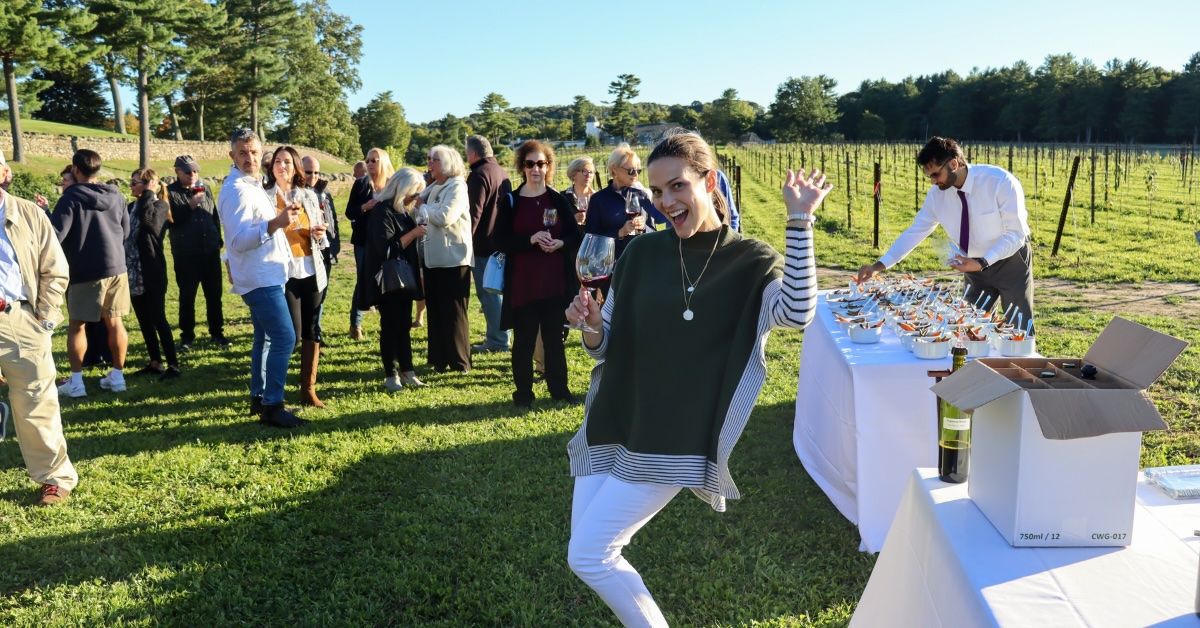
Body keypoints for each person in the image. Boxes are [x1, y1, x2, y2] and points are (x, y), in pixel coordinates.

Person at [564, 132, 830, 625]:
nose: (666, 202)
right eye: (658, 191)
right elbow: (607, 342)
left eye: (678, 187)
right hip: (614, 419)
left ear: (709, 181)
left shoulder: (749, 260)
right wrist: (594, 326)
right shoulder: (640, 254)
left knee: (589, 555)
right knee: (590, 554)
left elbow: (797, 311)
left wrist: (800, 221)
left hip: (673, 437)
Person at [856, 136, 1034, 330]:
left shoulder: (1000, 182)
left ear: (954, 163)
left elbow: (1016, 234)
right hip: (972, 266)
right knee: (967, 326)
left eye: (935, 174)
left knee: (1019, 327)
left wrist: (982, 262)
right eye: (929, 176)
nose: (933, 182)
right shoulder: (937, 195)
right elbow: (916, 231)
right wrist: (878, 266)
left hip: (1010, 262)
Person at [0, 150, 79, 505]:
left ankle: (54, 477)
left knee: (35, 398)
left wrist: (43, 319)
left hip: (18, 318)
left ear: (4, 173)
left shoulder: (28, 213)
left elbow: (55, 269)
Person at [217, 128, 305, 428]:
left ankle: (259, 396)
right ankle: (273, 405)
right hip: (258, 277)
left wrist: (280, 223)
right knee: (285, 337)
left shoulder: (252, 185)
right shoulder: (236, 190)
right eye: (242, 152)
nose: (249, 158)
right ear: (232, 155)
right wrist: (276, 223)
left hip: (268, 273)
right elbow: (238, 241)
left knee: (265, 338)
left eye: (254, 152)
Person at [492, 140, 581, 407]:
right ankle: (523, 395)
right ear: (522, 167)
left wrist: (560, 243)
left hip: (554, 284)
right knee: (524, 343)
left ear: (548, 167)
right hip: (523, 285)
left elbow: (575, 236)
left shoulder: (558, 199)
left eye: (541, 164)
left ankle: (560, 391)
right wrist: (529, 240)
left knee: (554, 341)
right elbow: (499, 241)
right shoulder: (511, 201)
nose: (536, 169)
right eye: (530, 164)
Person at [50, 149, 131, 398]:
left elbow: (56, 235)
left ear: (75, 169)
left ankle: (76, 382)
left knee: (77, 325)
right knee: (115, 322)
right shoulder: (116, 195)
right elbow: (126, 230)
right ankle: (117, 376)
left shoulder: (70, 197)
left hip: (85, 269)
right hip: (117, 266)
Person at [265, 146, 330, 407]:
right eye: (278, 162)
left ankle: (308, 390)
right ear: (272, 167)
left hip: (311, 268)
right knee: (290, 334)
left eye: (288, 162)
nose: (283, 166)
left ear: (296, 167)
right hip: (284, 271)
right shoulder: (265, 196)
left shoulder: (308, 195)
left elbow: (322, 237)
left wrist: (319, 234)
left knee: (312, 329)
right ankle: (273, 393)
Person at [363, 168, 427, 392]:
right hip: (388, 281)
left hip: (404, 279)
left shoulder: (403, 212)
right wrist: (414, 234)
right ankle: (391, 375)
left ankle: (408, 372)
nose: (416, 198)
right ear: (403, 189)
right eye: (414, 192)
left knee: (404, 326)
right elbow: (386, 250)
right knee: (390, 326)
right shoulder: (382, 211)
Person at [417, 145, 473, 373]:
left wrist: (424, 207)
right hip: (433, 259)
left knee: (454, 313)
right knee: (436, 311)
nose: (430, 163)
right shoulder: (432, 187)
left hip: (453, 259)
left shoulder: (457, 186)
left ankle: (460, 362)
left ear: (448, 163)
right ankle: (439, 359)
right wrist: (422, 207)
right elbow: (418, 214)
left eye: (435, 160)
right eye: (429, 158)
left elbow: (445, 217)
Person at [165, 155, 227, 351]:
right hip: (186, 254)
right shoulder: (170, 192)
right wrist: (190, 205)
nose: (193, 174)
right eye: (187, 171)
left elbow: (213, 214)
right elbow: (170, 221)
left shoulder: (205, 187)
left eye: (195, 171)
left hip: (209, 251)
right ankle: (187, 337)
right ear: (177, 171)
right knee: (187, 296)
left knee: (214, 295)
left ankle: (217, 334)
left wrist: (217, 238)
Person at [126, 169, 179, 379]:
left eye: (135, 183)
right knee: (144, 320)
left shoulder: (160, 205)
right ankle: (155, 361)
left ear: (147, 185)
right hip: (133, 271)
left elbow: (150, 225)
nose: (130, 187)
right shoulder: (131, 207)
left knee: (158, 318)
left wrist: (148, 194)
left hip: (152, 271)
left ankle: (173, 364)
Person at [465, 135, 512, 355]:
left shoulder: (478, 175)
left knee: (489, 294)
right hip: (501, 241)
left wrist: (464, 241)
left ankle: (498, 340)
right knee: (497, 292)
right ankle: (500, 335)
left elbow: (474, 212)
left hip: (483, 243)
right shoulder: (501, 172)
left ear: (473, 154)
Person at [585, 143, 666, 263]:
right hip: (612, 264)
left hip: (641, 262)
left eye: (638, 171)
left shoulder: (641, 195)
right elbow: (591, 239)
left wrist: (644, 228)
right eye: (631, 171)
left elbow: (653, 232)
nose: (636, 175)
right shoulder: (599, 199)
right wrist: (620, 232)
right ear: (614, 169)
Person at [345, 147, 394, 340]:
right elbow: (350, 212)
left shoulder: (392, 184)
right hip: (364, 241)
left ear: (383, 162)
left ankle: (387, 322)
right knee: (364, 280)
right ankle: (355, 324)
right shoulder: (361, 184)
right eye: (368, 160)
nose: (370, 164)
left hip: (386, 241)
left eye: (375, 160)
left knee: (386, 280)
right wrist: (365, 207)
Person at [303, 155, 339, 345]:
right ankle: (308, 336)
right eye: (309, 172)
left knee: (321, 293)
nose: (313, 176)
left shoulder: (324, 193)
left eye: (317, 172)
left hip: (325, 250)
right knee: (310, 296)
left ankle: (316, 332)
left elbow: (333, 220)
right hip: (306, 252)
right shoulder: (296, 193)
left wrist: (335, 246)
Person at [562, 156, 596, 225]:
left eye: (591, 172)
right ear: (573, 174)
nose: (588, 175)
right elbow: (557, 224)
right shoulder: (562, 197)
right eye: (584, 171)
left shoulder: (599, 197)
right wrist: (572, 220)